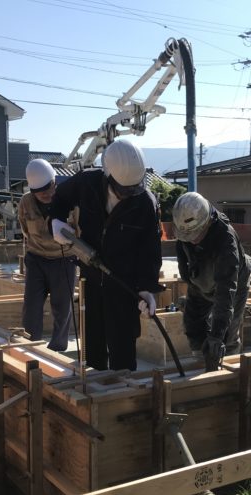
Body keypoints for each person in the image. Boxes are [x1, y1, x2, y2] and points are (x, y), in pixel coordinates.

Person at [50, 138, 162, 371]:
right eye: (122, 189)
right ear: (107, 175)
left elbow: (150, 250)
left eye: (133, 189)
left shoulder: (145, 203)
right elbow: (60, 198)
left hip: (123, 284)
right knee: (93, 347)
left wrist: (146, 288)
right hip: (91, 277)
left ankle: (125, 396)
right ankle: (95, 391)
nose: (128, 194)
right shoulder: (87, 184)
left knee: (123, 351)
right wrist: (56, 221)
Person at [172, 192, 251, 371]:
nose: (191, 240)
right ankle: (202, 361)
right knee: (193, 323)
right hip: (202, 276)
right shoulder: (185, 230)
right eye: (188, 237)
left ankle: (229, 370)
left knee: (227, 334)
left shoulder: (226, 241)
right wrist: (190, 281)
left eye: (195, 235)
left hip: (233, 282)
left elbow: (225, 294)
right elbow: (182, 259)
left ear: (206, 223)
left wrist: (216, 336)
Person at [18, 158, 76, 351]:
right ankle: (30, 345)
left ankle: (58, 347)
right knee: (31, 307)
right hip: (36, 259)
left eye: (47, 188)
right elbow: (25, 228)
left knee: (62, 308)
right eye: (38, 191)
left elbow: (78, 230)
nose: (44, 194)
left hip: (63, 260)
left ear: (54, 182)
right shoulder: (26, 202)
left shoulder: (69, 200)